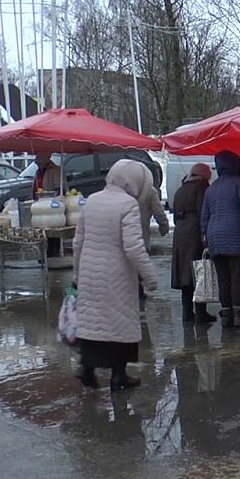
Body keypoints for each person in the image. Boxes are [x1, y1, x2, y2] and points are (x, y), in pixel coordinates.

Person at [71, 159, 158, 391]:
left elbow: (78, 241)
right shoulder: (127, 204)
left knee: (91, 321)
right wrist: (150, 277)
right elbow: (133, 247)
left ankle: (85, 367)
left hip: (90, 271)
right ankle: (119, 375)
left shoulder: (92, 200)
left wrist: (77, 272)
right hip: (117, 275)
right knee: (120, 322)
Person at [202, 150, 240, 330]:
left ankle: (226, 315)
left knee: (223, 279)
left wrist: (206, 239)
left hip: (214, 237)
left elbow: (204, 217)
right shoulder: (239, 183)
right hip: (235, 234)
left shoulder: (211, 188)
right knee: (237, 278)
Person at [170, 162, 215, 324]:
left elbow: (174, 216)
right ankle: (201, 313)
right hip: (195, 230)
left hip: (180, 232)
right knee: (199, 269)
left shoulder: (181, 188)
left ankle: (186, 312)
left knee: (184, 273)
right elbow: (203, 210)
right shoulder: (201, 186)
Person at [131, 163, 169, 298]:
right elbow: (158, 211)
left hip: (121, 233)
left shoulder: (121, 190)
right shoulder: (149, 191)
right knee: (139, 260)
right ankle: (139, 289)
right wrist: (163, 225)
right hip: (140, 233)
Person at [33, 153, 67, 258]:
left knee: (53, 230)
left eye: (39, 164)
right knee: (42, 230)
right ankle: (45, 254)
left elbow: (60, 188)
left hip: (52, 205)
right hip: (41, 204)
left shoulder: (56, 170)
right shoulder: (38, 172)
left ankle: (54, 253)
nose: (38, 166)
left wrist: (53, 197)